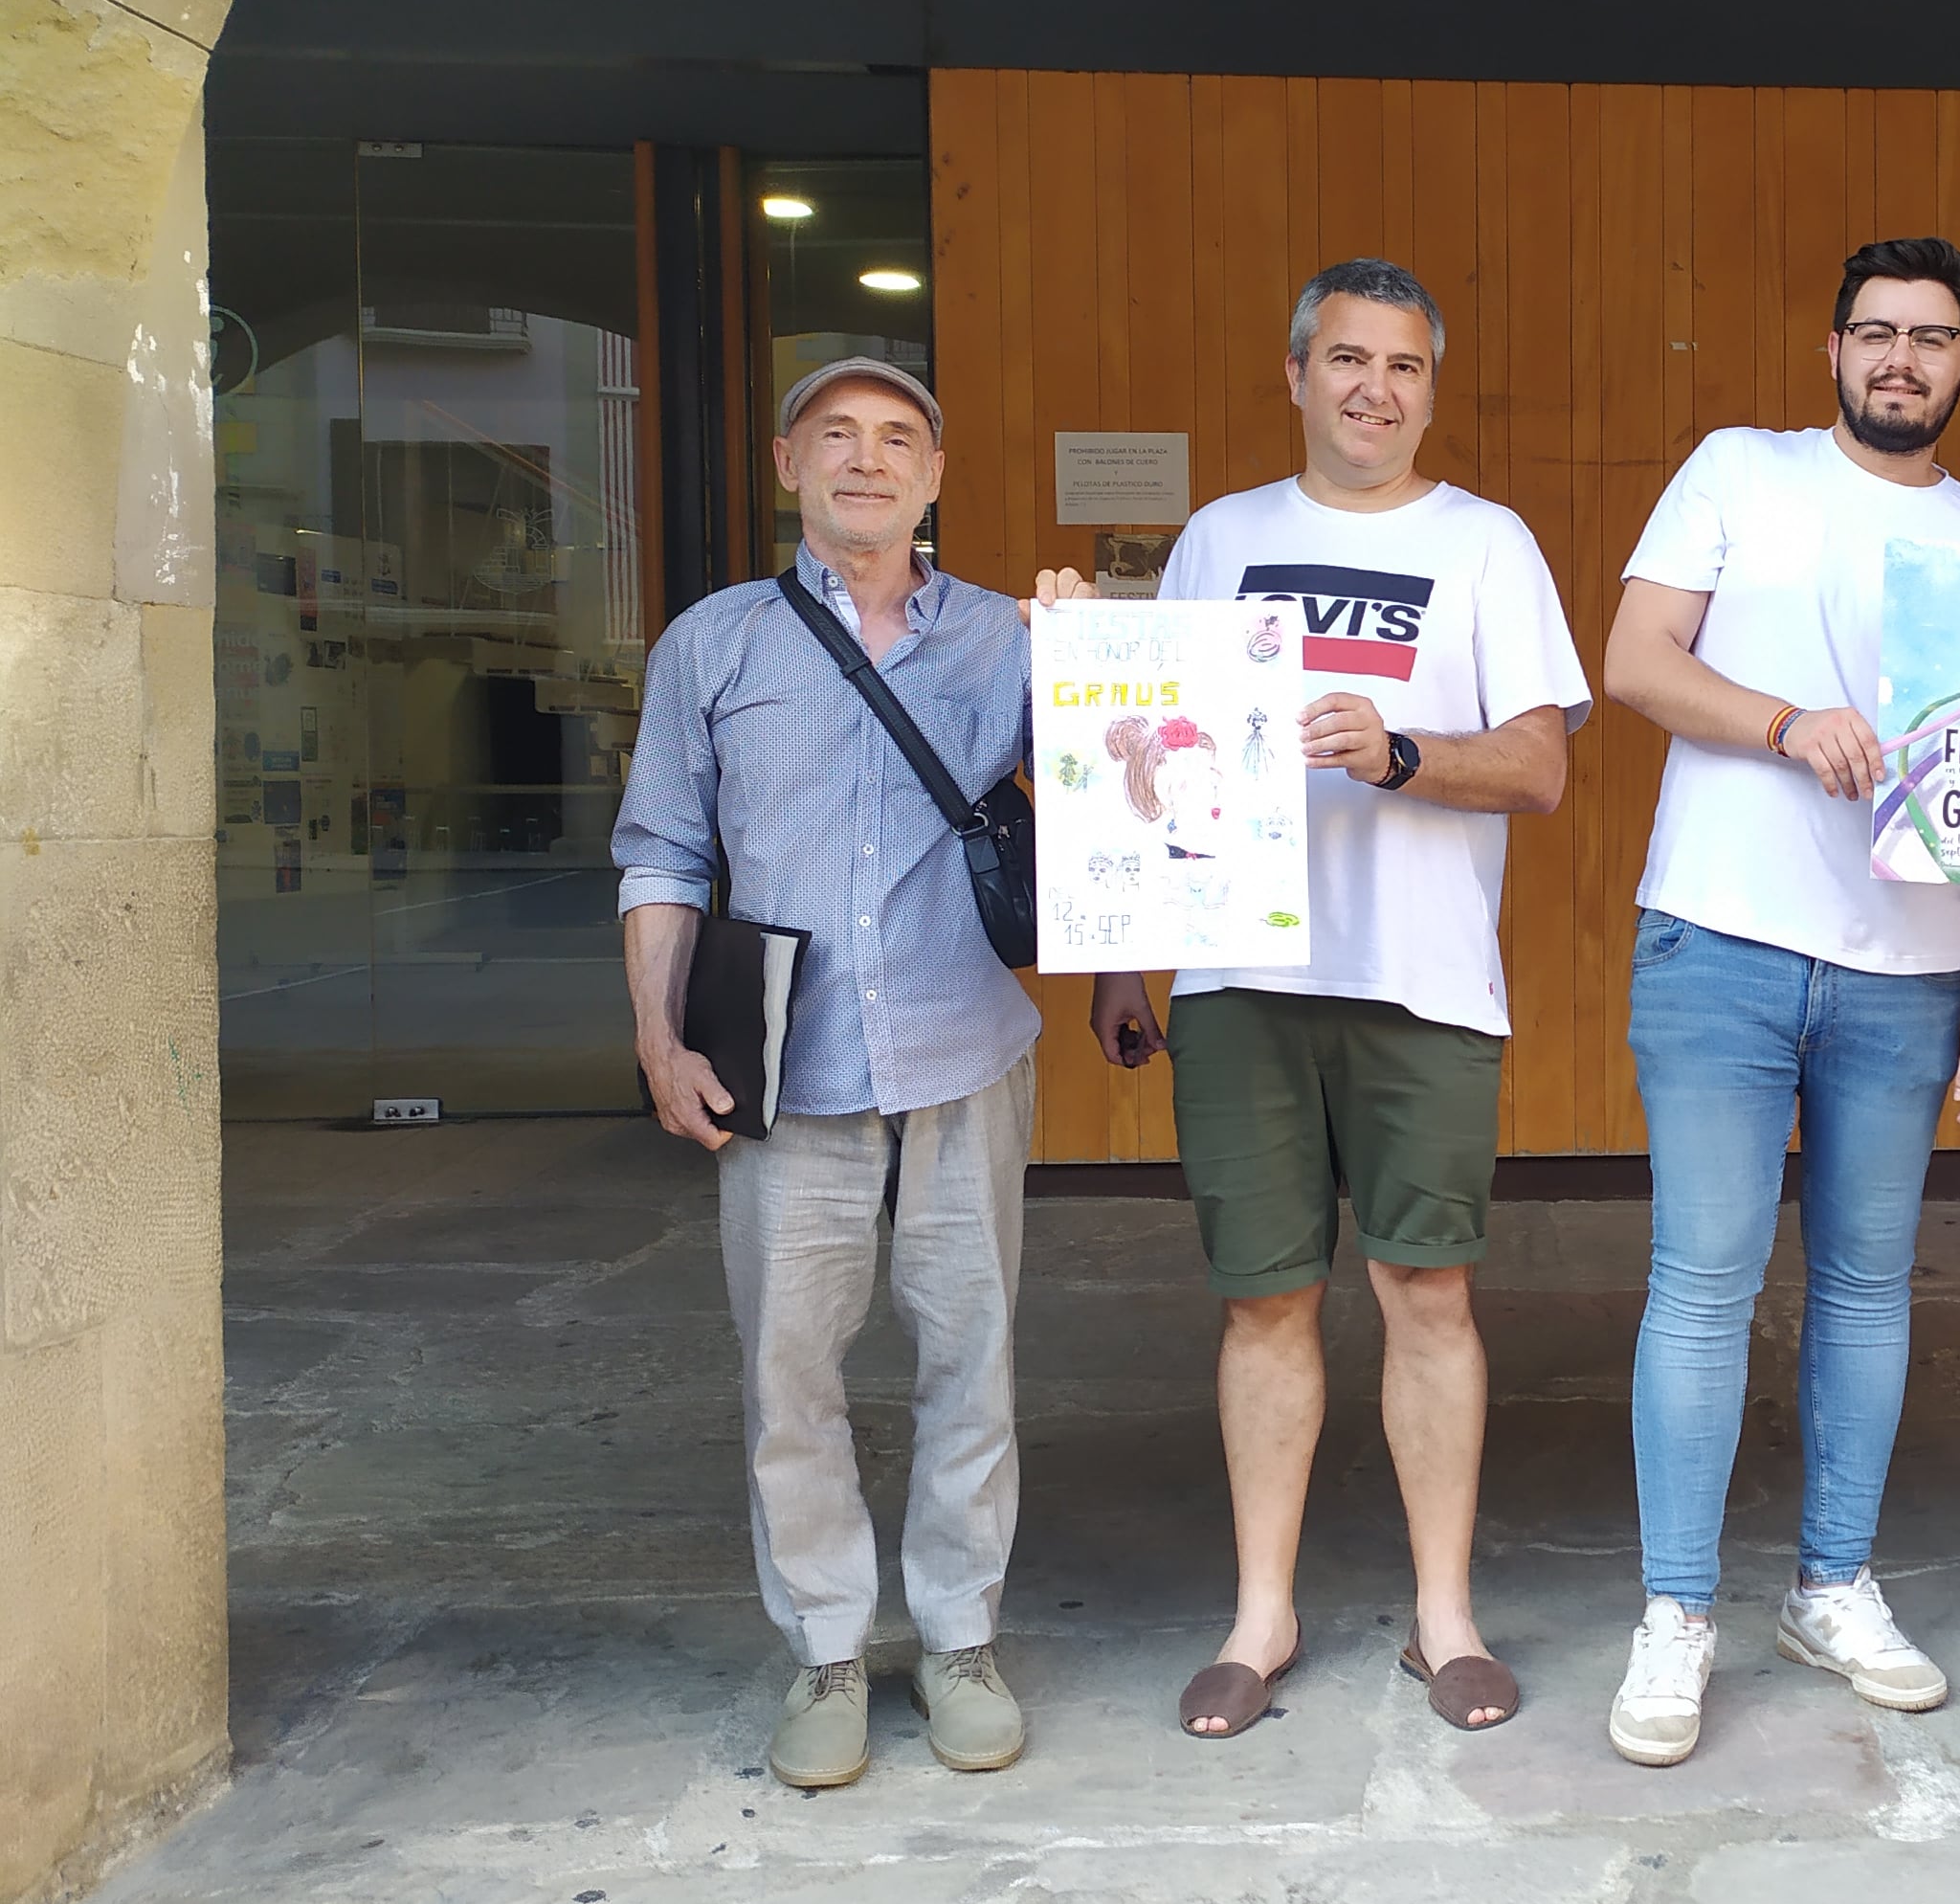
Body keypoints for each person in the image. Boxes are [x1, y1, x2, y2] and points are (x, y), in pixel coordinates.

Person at [1087, 259, 1590, 1740]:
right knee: (1263, 1299)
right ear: (1296, 372)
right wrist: (1129, 952)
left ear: (1432, 388)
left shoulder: (1487, 544)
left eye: (1407, 366)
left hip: (1423, 975)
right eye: (1350, 358)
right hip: (1241, 969)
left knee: (1428, 1289)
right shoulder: (1219, 536)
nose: (1377, 387)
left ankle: (1445, 1618)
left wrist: (1400, 752)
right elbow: (1144, 740)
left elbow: (1544, 766)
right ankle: (1264, 1612)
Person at [1597, 235, 1960, 1767]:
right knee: (1702, 1283)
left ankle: (1833, 1583)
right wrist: (1788, 722)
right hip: (1718, 935)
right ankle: (1676, 1613)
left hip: (1906, 969)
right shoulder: (1740, 470)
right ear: (1834, 349)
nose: (1900, 359)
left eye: (1931, 337)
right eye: (1875, 333)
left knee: (1867, 1285)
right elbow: (1635, 659)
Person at [615, 356, 1060, 1790]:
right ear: (788, 462)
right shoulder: (714, 644)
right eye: (838, 437)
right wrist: (658, 1032)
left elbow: (1131, 793)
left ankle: (958, 1634)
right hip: (781, 1062)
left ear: (935, 476)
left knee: (969, 1353)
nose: (868, 460)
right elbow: (664, 850)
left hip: (960, 1045)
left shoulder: (1009, 637)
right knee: (787, 1367)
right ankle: (821, 1643)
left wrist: (1106, 656)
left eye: (900, 439)